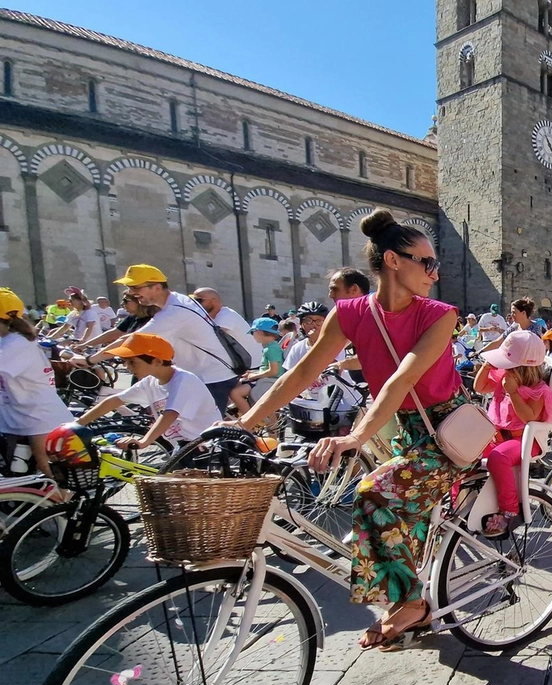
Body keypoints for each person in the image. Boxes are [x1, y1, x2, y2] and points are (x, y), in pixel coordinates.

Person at [232, 208, 468, 649]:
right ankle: (409, 603)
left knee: (372, 494)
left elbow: (402, 380)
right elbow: (300, 374)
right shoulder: (350, 313)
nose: (435, 273)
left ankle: (412, 604)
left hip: (449, 430)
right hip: (405, 426)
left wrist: (355, 436)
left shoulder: (439, 314)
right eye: (428, 262)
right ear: (394, 261)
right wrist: (244, 422)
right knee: (393, 509)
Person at [90, 265, 238, 412]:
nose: (131, 293)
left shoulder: (173, 311)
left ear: (157, 287)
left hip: (211, 377)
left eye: (135, 288)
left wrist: (89, 360)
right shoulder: (178, 300)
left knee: (201, 430)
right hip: (197, 374)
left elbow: (132, 340)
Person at [472, 330, 552, 538]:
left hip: (525, 440)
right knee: (465, 451)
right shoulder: (505, 377)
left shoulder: (537, 389)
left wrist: (512, 393)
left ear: (520, 368)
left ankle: (510, 508)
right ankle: (464, 501)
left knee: (497, 458)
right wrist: (488, 365)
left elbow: (530, 416)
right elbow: (479, 387)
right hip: (499, 436)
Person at [78, 333, 221, 449]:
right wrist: (78, 424)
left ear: (157, 361)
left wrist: (144, 442)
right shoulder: (150, 382)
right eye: (125, 362)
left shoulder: (184, 380)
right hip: (184, 446)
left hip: (208, 447)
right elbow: (115, 400)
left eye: (133, 362)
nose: (127, 367)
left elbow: (170, 414)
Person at [0, 288, 73, 478]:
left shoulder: (16, 344)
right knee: (22, 477)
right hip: (17, 417)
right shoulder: (7, 341)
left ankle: (69, 508)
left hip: (38, 418)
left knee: (49, 471)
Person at [191, 287, 260, 368]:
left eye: (199, 300)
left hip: (251, 367)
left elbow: (209, 339)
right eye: (194, 301)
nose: (196, 304)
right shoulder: (212, 317)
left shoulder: (226, 315)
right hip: (241, 364)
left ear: (214, 300)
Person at [229, 318, 285, 415]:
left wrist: (254, 376)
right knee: (239, 383)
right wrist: (253, 373)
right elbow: (267, 368)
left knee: (235, 393)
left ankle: (249, 419)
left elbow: (274, 371)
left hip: (268, 382)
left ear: (258, 332)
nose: (252, 336)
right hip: (266, 379)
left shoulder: (271, 349)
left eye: (252, 332)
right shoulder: (271, 347)